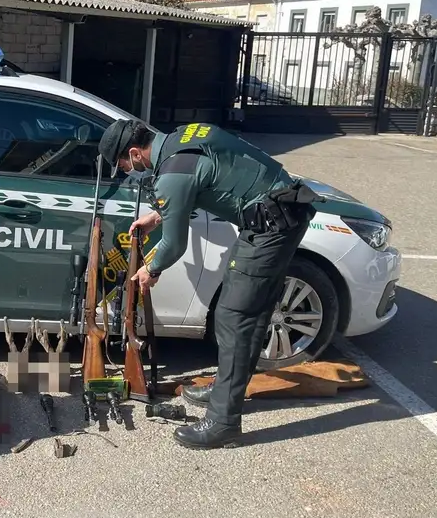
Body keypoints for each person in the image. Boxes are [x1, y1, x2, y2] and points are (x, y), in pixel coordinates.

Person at [98, 119, 321, 449]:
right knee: (249, 312)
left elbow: (174, 246)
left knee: (234, 318)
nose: (128, 171)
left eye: (124, 165)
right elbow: (204, 179)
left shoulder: (171, 175)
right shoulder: (183, 137)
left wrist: (151, 270)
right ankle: (225, 390)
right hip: (281, 212)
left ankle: (223, 424)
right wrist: (155, 217)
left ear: (135, 152)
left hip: (270, 227)